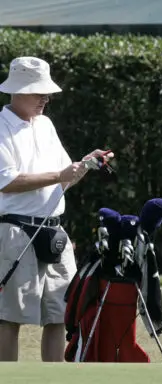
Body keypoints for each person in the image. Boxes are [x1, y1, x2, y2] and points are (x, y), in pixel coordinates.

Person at [0, 56, 114, 362]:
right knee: (9, 318)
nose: (45, 99)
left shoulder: (46, 125)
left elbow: (64, 177)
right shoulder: (1, 127)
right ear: (19, 91)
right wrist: (60, 175)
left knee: (60, 316)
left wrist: (85, 165)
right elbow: (6, 182)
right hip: (14, 231)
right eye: (39, 93)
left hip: (54, 232)